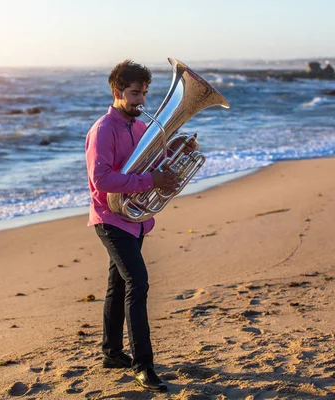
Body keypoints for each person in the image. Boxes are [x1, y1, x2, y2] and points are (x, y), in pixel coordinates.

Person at [85, 60, 196, 392]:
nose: (142, 101)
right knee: (139, 284)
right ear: (118, 92)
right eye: (135, 93)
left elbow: (156, 162)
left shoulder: (139, 126)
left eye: (145, 93)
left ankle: (111, 352)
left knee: (118, 286)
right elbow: (101, 179)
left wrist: (180, 150)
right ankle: (142, 365)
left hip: (135, 219)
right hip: (110, 219)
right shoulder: (103, 129)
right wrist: (152, 178)